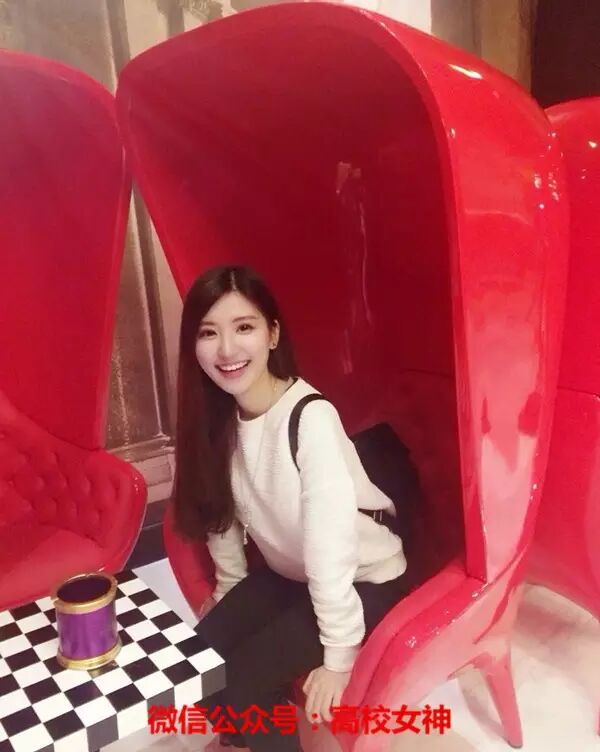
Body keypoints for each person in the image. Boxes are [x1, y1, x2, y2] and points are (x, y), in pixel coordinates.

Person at [172, 265, 412, 751]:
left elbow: (330, 548)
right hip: (293, 574)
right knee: (197, 667)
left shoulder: (310, 417)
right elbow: (223, 518)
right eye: (208, 333)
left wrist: (339, 653)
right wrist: (231, 594)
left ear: (273, 334)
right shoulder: (220, 418)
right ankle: (249, 738)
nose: (226, 350)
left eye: (244, 327)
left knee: (245, 684)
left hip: (365, 577)